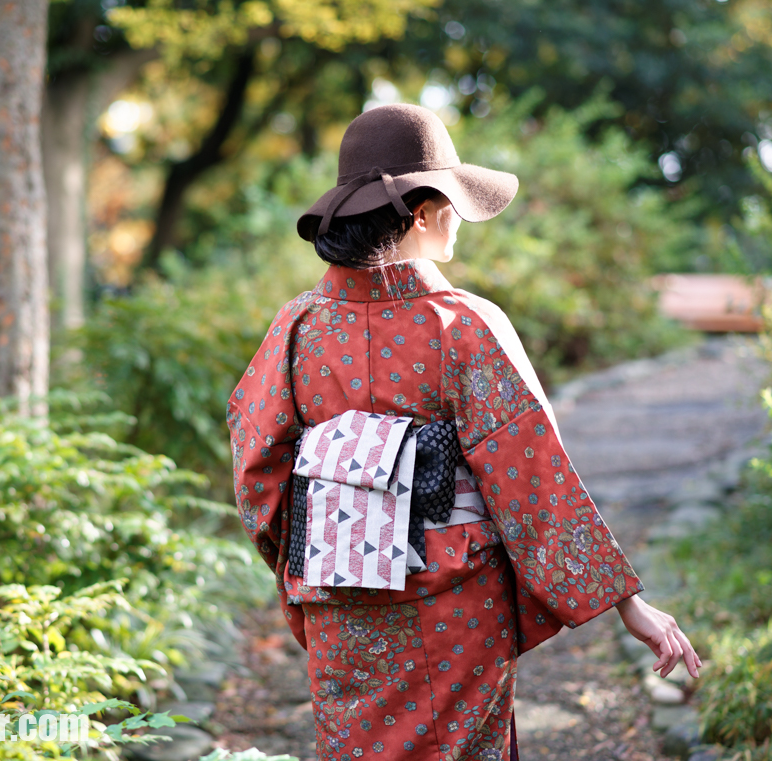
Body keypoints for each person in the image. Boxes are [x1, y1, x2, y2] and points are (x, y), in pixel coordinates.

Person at [226, 103, 700, 761]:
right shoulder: (463, 326)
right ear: (422, 212)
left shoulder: (296, 328)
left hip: (338, 604)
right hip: (454, 603)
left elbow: (257, 470)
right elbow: (532, 476)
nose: (457, 221)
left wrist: (312, 558)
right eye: (450, 201)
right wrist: (626, 603)